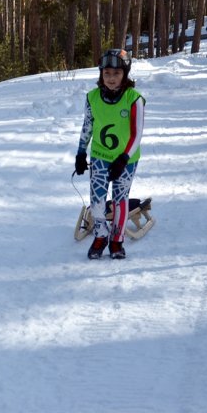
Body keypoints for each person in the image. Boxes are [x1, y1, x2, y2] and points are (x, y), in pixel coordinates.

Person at [74, 49, 145, 260]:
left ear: (125, 73)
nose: (111, 79)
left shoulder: (134, 99)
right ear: (101, 74)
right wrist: (80, 153)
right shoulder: (92, 97)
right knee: (96, 201)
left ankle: (117, 240)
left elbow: (137, 133)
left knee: (119, 199)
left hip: (127, 159)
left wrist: (124, 158)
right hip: (99, 156)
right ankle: (101, 235)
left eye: (116, 73)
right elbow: (87, 127)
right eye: (107, 74)